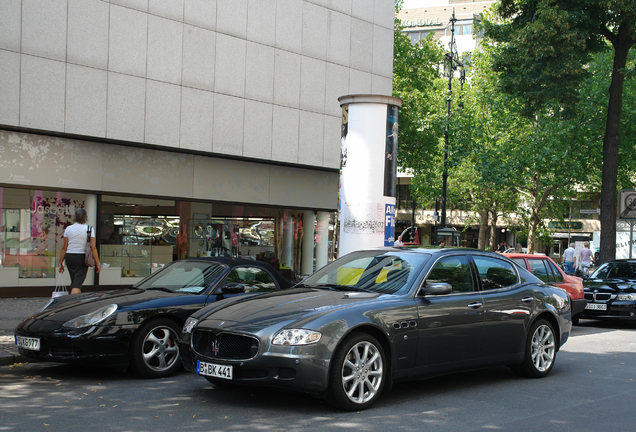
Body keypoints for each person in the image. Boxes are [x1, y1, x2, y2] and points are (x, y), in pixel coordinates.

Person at [59, 208, 101, 294]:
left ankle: (78, 303)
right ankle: (70, 304)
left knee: (76, 282)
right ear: (86, 217)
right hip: (82, 258)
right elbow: (93, 247)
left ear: (75, 217)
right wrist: (97, 263)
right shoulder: (89, 229)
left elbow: (64, 247)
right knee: (76, 284)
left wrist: (60, 263)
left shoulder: (68, 229)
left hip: (69, 257)